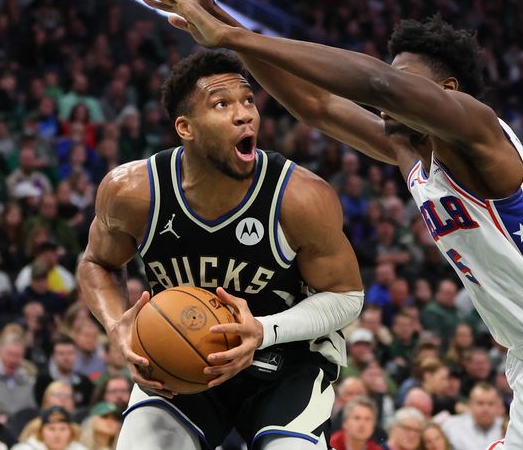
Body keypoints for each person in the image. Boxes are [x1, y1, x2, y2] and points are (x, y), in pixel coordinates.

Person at [141, 0, 523, 450]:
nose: (392, 89)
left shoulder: (479, 131)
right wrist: (219, 20)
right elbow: (317, 104)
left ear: (447, 91)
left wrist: (229, 34)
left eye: (407, 80)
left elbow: (377, 84)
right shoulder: (410, 150)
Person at [76, 49, 364, 450]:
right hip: (181, 363)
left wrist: (264, 330)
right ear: (185, 127)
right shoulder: (133, 191)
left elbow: (347, 296)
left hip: (287, 363)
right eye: (222, 104)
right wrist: (115, 325)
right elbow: (97, 263)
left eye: (248, 101)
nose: (244, 114)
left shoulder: (300, 197)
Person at [440, 383, 503, 450]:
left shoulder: (508, 428)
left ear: (498, 406)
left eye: (490, 404)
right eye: (480, 403)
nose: (485, 409)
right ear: (470, 404)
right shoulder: (451, 426)